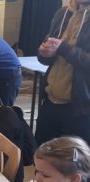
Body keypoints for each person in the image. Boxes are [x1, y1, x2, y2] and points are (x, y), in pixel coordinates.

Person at [35, 0, 90, 146]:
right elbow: (48, 47)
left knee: (72, 164)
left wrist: (63, 48)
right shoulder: (63, 12)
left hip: (80, 107)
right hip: (50, 99)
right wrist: (44, 52)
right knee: (41, 156)